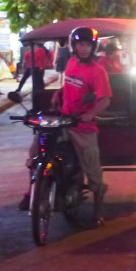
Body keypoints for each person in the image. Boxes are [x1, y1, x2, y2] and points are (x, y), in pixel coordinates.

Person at [51, 27, 112, 226]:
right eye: (80, 44)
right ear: (74, 46)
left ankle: (98, 211)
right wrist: (58, 92)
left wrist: (90, 114)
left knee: (93, 172)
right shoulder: (69, 63)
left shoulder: (97, 71)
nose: (83, 49)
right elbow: (69, 84)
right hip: (65, 120)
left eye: (87, 45)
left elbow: (105, 100)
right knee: (41, 147)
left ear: (93, 47)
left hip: (83, 127)